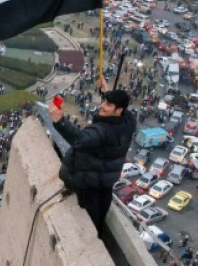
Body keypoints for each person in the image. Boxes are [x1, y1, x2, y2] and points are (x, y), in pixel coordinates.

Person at [48, 76, 136, 234]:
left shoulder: (102, 131)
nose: (102, 106)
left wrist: (60, 121)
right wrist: (108, 92)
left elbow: (79, 139)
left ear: (119, 110)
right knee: (100, 214)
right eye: (104, 102)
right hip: (106, 181)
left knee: (90, 222)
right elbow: (122, 109)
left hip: (88, 182)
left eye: (108, 104)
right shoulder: (128, 122)